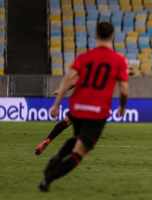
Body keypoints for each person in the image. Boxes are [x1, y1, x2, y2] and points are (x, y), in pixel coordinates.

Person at [38, 21, 129, 192]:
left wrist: (56, 105)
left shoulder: (84, 57)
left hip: (77, 108)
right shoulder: (118, 60)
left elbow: (69, 80)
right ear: (112, 36)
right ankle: (49, 178)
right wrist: (122, 108)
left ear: (95, 35)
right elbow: (124, 90)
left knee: (77, 138)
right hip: (97, 112)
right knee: (79, 153)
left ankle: (56, 158)